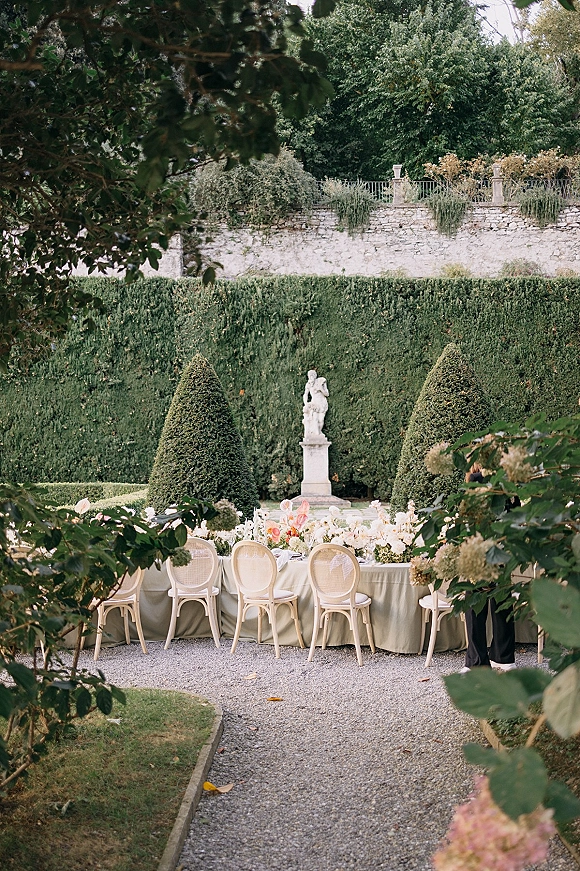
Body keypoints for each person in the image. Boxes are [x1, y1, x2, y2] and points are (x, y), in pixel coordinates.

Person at [461, 463, 517, 672]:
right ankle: (503, 657)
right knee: (500, 601)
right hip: (499, 545)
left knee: (476, 604)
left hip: (479, 544)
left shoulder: (476, 479)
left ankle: (477, 660)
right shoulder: (506, 480)